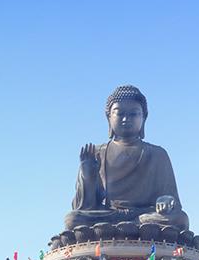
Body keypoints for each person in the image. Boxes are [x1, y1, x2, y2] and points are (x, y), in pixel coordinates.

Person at [65, 85, 189, 231]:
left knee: (180, 218)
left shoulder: (157, 154)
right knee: (72, 219)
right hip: (109, 215)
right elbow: (87, 206)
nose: (126, 119)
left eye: (133, 114)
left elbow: (170, 198)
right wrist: (88, 176)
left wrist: (166, 200)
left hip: (145, 215)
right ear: (109, 117)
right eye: (119, 113)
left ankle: (130, 228)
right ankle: (133, 229)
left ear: (144, 117)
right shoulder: (98, 152)